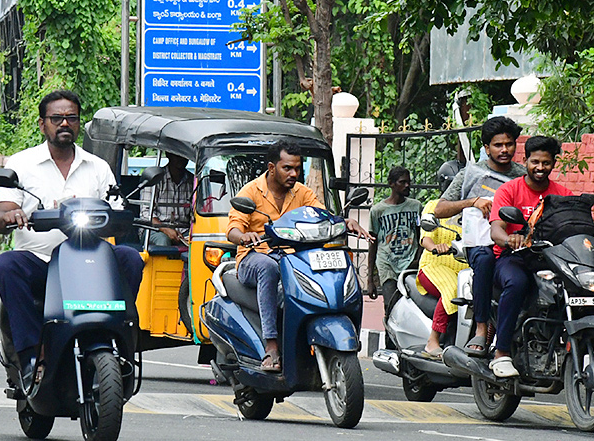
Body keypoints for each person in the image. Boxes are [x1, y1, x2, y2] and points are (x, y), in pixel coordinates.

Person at [0, 90, 145, 382]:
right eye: (57, 118)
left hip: (90, 264)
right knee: (7, 265)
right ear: (42, 124)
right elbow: (0, 216)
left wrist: (120, 218)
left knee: (130, 258)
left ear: (79, 124)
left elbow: (117, 212)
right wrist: (11, 215)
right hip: (42, 262)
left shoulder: (97, 167)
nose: (64, 124)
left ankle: (120, 343)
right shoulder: (22, 164)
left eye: (71, 118)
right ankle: (29, 357)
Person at [487, 136, 594, 377]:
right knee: (517, 282)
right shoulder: (509, 190)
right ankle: (502, 353)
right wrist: (510, 238)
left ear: (554, 163)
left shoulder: (562, 196)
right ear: (525, 161)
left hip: (552, 259)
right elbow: (496, 229)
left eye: (546, 163)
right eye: (535, 162)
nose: (540, 168)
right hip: (516, 257)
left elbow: (580, 229)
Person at [227, 140, 372, 372]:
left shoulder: (303, 193)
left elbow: (321, 215)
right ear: (272, 168)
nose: (294, 173)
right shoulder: (251, 192)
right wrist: (245, 236)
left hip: (291, 257)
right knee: (269, 268)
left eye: (297, 168)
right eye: (288, 168)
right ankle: (272, 346)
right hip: (255, 258)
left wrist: (345, 222)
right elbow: (233, 229)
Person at [433, 116, 526, 352]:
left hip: (515, 244)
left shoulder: (522, 176)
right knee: (484, 260)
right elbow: (440, 209)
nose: (504, 150)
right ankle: (481, 328)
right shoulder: (471, 173)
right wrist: (472, 202)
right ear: (486, 148)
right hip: (480, 243)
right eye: (498, 145)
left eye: (509, 144)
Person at [416, 199, 467, 359]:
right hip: (435, 265)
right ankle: (433, 340)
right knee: (453, 288)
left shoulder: (475, 208)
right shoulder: (435, 206)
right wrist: (435, 247)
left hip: (466, 269)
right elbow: (426, 238)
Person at [368, 166, 422, 317]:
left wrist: (417, 259)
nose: (407, 186)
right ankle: (389, 340)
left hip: (410, 264)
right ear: (391, 183)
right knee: (391, 306)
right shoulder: (378, 211)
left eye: (408, 182)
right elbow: (373, 243)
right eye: (402, 182)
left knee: (412, 308)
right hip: (388, 265)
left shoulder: (415, 207)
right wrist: (370, 279)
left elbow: (421, 236)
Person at [149, 154, 192, 247]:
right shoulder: (155, 178)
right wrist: (166, 229)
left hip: (184, 230)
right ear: (168, 154)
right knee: (163, 240)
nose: (181, 158)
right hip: (155, 229)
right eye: (177, 155)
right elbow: (146, 214)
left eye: (184, 155)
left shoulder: (193, 181)